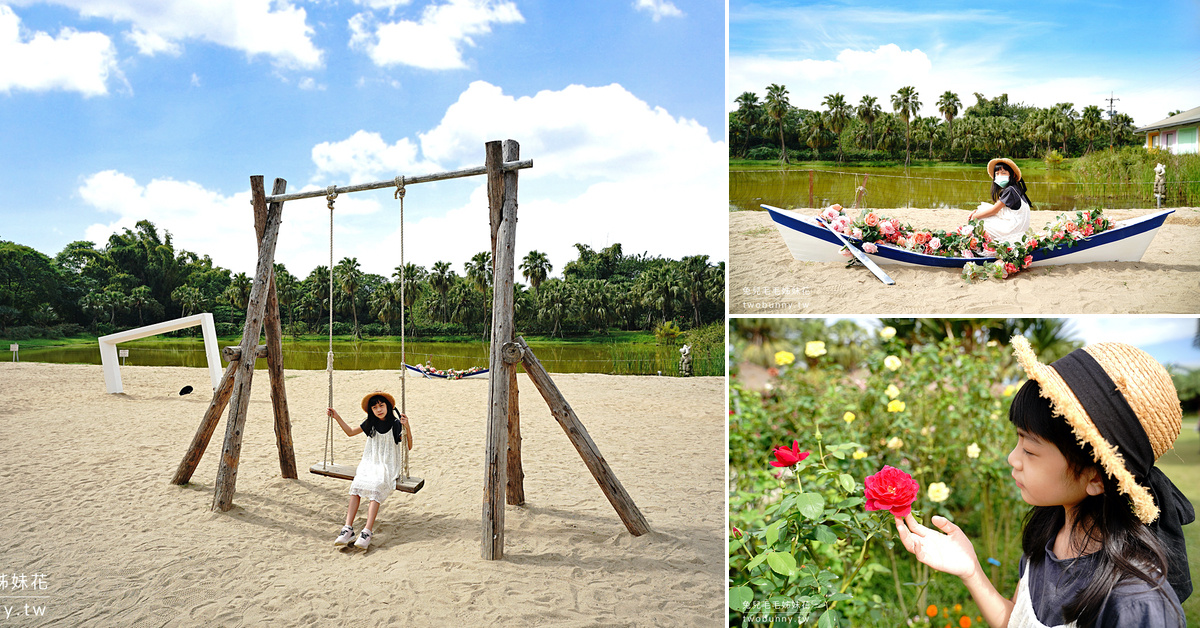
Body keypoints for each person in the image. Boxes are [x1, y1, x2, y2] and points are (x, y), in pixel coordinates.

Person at [894, 337, 1192, 627]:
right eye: (1018, 440)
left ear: (1096, 477)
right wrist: (971, 570)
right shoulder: (1049, 531)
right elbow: (1017, 620)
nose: (1013, 458)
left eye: (1031, 450)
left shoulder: (1137, 602)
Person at [327, 391, 413, 550]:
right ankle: (348, 528)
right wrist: (336, 416)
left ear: (387, 406)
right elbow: (350, 432)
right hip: (370, 462)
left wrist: (407, 427)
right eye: (374, 407)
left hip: (387, 465)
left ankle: (367, 531)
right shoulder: (371, 423)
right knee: (357, 486)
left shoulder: (396, 424)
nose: (379, 409)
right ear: (371, 411)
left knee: (377, 485)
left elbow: (409, 446)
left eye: (381, 405)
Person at [966, 158, 1033, 243]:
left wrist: (974, 216)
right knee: (982, 209)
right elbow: (996, 208)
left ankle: (979, 246)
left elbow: (994, 210)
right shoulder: (1015, 188)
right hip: (1019, 228)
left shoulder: (1010, 190)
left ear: (1013, 175)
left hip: (1014, 231)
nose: (1000, 176)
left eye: (1003, 173)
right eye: (997, 174)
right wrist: (976, 212)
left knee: (978, 222)